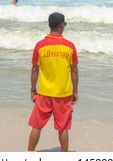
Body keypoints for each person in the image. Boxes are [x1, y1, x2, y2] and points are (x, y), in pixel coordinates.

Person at [27, 12, 79, 152]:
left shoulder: (40, 45)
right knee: (63, 127)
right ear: (62, 26)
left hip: (44, 92)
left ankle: (29, 154)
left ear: (49, 26)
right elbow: (74, 71)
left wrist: (33, 90)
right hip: (63, 93)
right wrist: (75, 92)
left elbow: (34, 70)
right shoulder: (69, 46)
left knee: (37, 126)